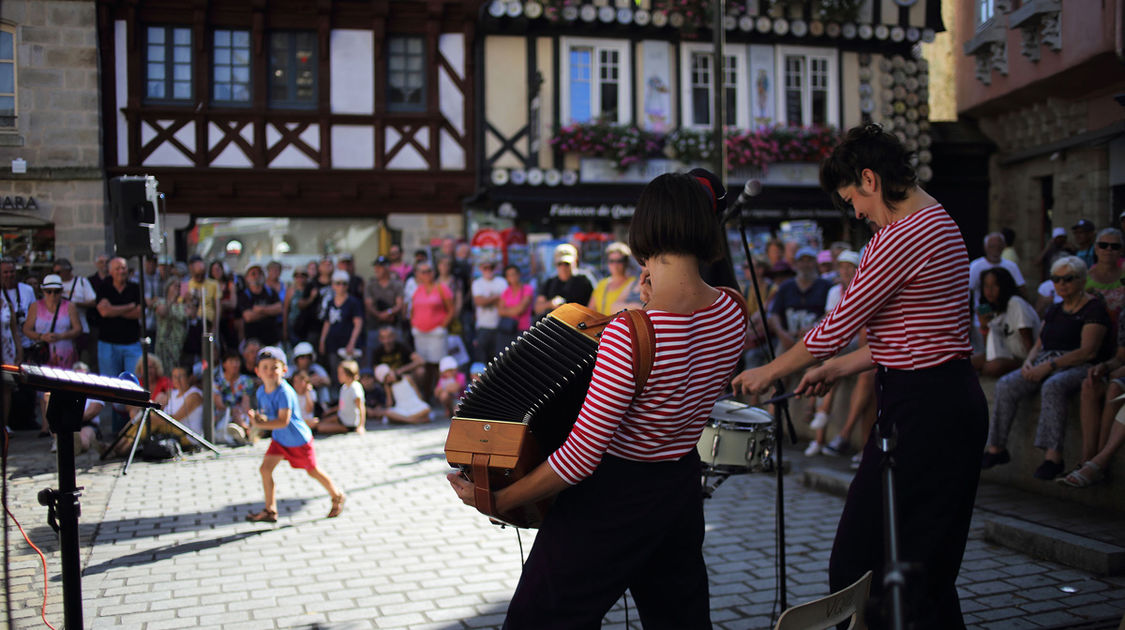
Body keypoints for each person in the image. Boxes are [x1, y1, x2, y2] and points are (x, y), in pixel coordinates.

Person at [449, 171, 747, 628]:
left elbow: (580, 459)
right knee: (680, 619)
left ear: (644, 230)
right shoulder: (732, 308)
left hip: (613, 496)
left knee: (539, 620)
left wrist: (499, 499)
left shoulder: (631, 331)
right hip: (680, 486)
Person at [732, 124, 987, 629]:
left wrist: (768, 372)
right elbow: (915, 338)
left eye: (853, 200)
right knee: (924, 574)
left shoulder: (900, 235)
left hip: (927, 411)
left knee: (859, 564)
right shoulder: (942, 222)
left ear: (869, 179)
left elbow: (834, 326)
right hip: (944, 401)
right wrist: (836, 367)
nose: (857, 214)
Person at [984, 256, 1108, 480]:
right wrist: (1030, 361)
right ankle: (996, 449)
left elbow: (1087, 351)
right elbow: (1039, 343)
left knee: (1053, 386)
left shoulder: (1093, 309)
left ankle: (1053, 457)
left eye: (1067, 279)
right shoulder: (1054, 309)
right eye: (1056, 279)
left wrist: (1048, 366)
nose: (1061, 284)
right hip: (1046, 360)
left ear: (1081, 280)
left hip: (1078, 364)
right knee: (1006, 385)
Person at [246, 346, 346, 522]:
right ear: (257, 371)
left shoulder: (285, 392)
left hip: (297, 440)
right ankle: (270, 510)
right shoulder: (261, 391)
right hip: (280, 439)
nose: (269, 371)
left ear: (284, 370)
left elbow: (283, 421)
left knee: (312, 471)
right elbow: (268, 415)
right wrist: (257, 419)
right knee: (265, 469)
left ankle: (337, 495)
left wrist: (259, 424)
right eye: (265, 367)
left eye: (274, 367)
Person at [971, 267, 1040, 377]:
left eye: (995, 285)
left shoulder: (1015, 303)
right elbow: (990, 349)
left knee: (991, 367)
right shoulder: (994, 308)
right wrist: (984, 327)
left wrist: (1029, 362)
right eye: (986, 286)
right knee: (969, 362)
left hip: (1023, 357)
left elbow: (1028, 341)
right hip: (1005, 353)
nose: (989, 290)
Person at [768, 246, 831, 352]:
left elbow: (831, 312)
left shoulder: (826, 286)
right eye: (802, 261)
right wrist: (782, 334)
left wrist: (815, 327)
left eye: (809, 261)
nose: (805, 265)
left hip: (817, 338)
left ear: (815, 263)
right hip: (790, 339)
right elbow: (774, 314)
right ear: (796, 264)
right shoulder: (785, 287)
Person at [409, 260, 453, 396]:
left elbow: (451, 309)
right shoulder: (417, 290)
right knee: (424, 365)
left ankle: (440, 394)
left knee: (438, 366)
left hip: (436, 333)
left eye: (429, 271)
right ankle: (427, 395)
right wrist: (413, 324)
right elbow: (412, 310)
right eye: (423, 272)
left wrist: (443, 326)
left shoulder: (442, 288)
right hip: (421, 334)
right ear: (419, 274)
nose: (426, 274)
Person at [320, 270, 364, 381]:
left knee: (349, 373)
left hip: (348, 344)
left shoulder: (353, 302)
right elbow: (327, 322)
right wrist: (322, 340)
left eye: (344, 283)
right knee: (335, 373)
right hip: (333, 343)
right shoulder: (330, 302)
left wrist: (352, 343)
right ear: (333, 285)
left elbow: (358, 324)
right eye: (338, 283)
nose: (341, 286)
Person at [363, 256, 405, 364]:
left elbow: (399, 304)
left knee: (398, 352)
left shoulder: (397, 284)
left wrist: (388, 313)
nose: (377, 269)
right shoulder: (370, 284)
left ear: (387, 268)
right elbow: (368, 304)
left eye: (380, 267)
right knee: (372, 354)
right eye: (376, 267)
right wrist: (378, 315)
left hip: (393, 323)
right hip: (375, 324)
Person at [534, 245, 594, 318]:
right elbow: (537, 308)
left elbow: (595, 305)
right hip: (556, 325)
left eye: (567, 264)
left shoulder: (584, 281)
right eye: (560, 264)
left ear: (576, 261)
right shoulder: (550, 282)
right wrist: (550, 304)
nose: (563, 267)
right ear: (555, 264)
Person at [470, 258, 507, 362]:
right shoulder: (477, 283)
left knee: (499, 360)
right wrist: (496, 298)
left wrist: (487, 300)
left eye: (491, 267)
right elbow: (479, 301)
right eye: (485, 268)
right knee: (481, 360)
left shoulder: (502, 281)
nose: (488, 270)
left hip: (500, 326)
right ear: (481, 268)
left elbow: (505, 302)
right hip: (483, 327)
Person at [214, 350, 255, 445]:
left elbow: (246, 402)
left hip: (240, 414)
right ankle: (245, 432)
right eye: (231, 361)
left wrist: (241, 414)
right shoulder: (217, 382)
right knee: (233, 413)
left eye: (237, 361)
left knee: (244, 414)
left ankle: (242, 430)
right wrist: (232, 411)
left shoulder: (246, 380)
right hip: (223, 415)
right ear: (224, 364)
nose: (235, 365)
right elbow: (219, 404)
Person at [237, 264, 283, 347]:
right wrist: (270, 312)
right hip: (253, 342)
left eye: (259, 273)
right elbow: (248, 317)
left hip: (272, 340)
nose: (257, 276)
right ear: (247, 278)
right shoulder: (244, 295)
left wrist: (260, 309)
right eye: (253, 274)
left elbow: (279, 308)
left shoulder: (271, 292)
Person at [587, 242, 638, 316]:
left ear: (626, 262)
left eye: (619, 261)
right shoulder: (602, 284)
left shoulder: (634, 283)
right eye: (611, 261)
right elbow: (591, 310)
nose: (615, 265)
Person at [316, 359, 365, 435]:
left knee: (320, 427)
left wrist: (361, 426)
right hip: (341, 418)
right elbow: (343, 405)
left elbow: (361, 407)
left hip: (348, 424)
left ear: (348, 374)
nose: (338, 375)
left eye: (340, 373)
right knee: (321, 421)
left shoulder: (354, 388)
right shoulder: (344, 387)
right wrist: (330, 411)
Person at [1084, 228, 1125, 315]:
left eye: (1115, 246)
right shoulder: (1083, 279)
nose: (1109, 249)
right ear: (1096, 249)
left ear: (1121, 250)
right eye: (1103, 245)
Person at [497, 264, 534, 349]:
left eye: (514, 274)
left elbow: (520, 309)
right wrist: (515, 310)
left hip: (523, 330)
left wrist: (507, 310)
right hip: (508, 330)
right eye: (509, 275)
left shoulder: (527, 289)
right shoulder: (506, 291)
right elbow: (500, 311)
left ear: (519, 275)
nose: (512, 277)